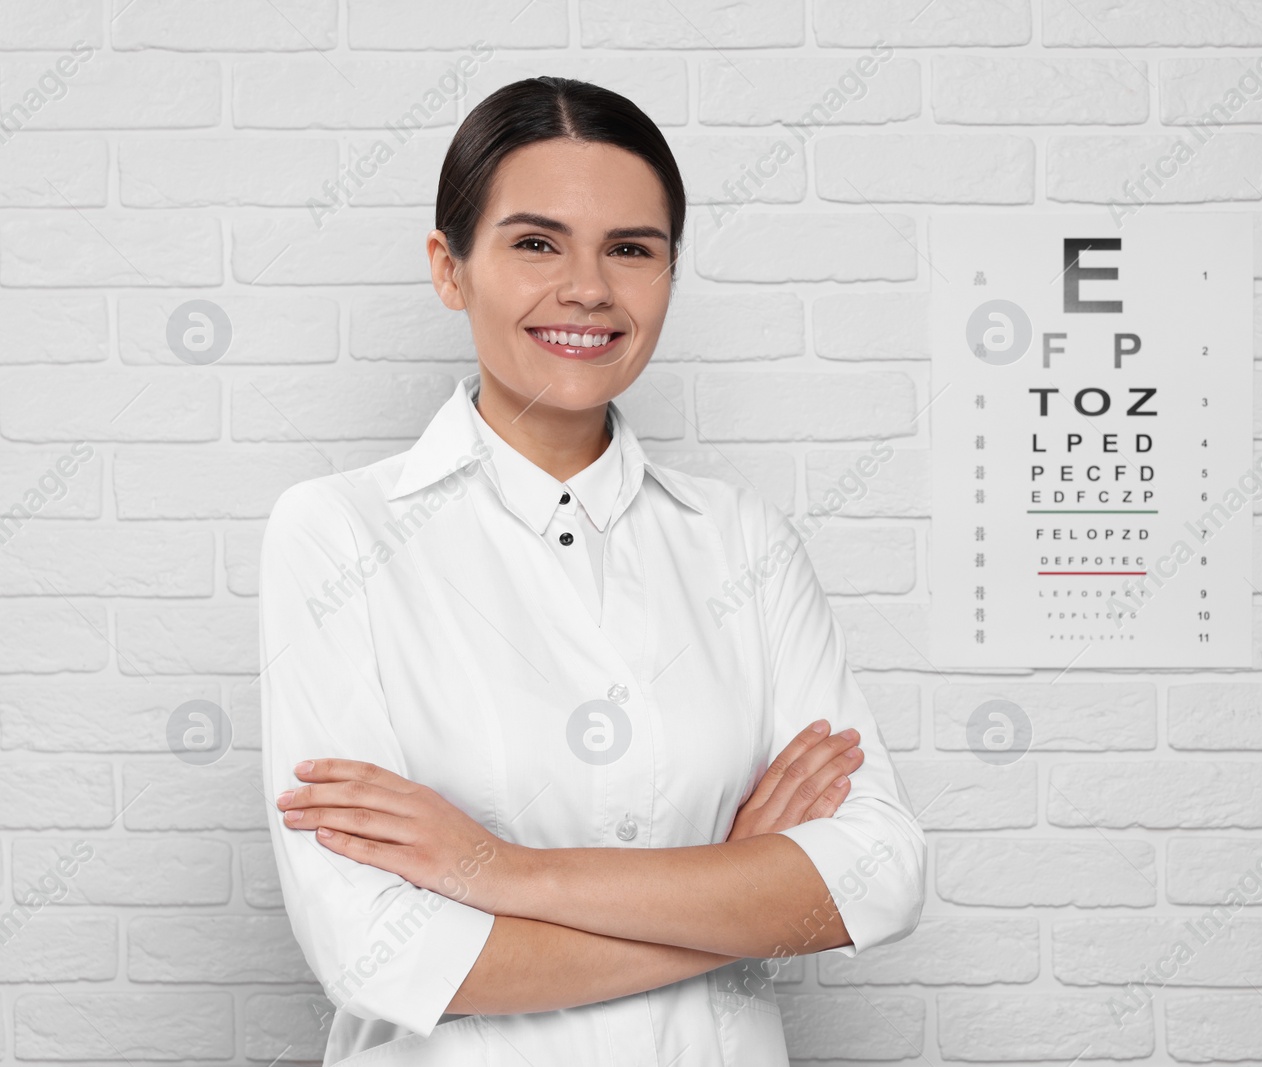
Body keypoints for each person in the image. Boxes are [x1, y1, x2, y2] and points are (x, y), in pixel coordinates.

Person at [258, 75, 927, 1066]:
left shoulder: (744, 540)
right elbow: (377, 952)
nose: (588, 288)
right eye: (536, 242)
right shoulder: (338, 532)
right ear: (450, 268)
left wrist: (497, 869)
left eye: (631, 249)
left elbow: (879, 874)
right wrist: (737, 889)